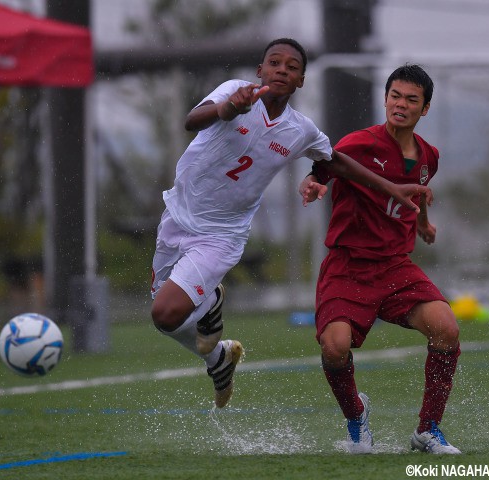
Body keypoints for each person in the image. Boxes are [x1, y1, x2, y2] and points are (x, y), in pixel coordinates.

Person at [150, 39, 431, 410]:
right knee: (166, 320)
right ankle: (217, 358)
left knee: (165, 311)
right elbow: (192, 120)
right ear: (260, 71)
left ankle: (212, 303)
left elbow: (336, 161)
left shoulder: (299, 130)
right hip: (177, 214)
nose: (282, 69)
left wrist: (390, 188)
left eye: (292, 66)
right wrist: (227, 109)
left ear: (301, 80)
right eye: (274, 62)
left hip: (221, 235)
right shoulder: (235, 92)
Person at [300, 64, 461, 454]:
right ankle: (357, 419)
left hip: (394, 266)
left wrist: (423, 224)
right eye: (395, 96)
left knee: (447, 329)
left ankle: (427, 430)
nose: (400, 105)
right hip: (348, 264)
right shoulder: (358, 144)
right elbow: (320, 170)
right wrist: (311, 184)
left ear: (425, 109)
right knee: (334, 347)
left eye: (411, 99)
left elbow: (419, 191)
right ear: (385, 98)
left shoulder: (428, 156)